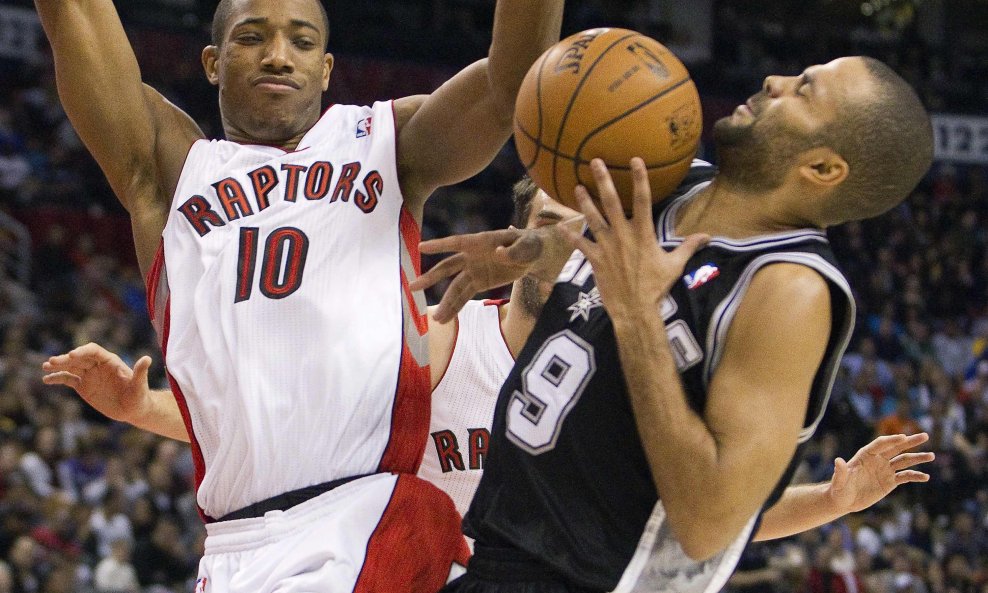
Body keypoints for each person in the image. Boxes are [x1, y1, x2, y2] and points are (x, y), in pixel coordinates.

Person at [47, 180, 934, 552]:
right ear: (514, 234)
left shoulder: (630, 379)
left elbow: (683, 517)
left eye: (590, 223)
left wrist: (831, 501)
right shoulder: (440, 341)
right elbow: (294, 428)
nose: (571, 237)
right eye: (553, 215)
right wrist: (145, 409)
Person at [32, 0, 565, 589]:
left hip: (362, 520)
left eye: (302, 42)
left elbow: (512, 82)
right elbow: (71, 13)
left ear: (328, 68)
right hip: (233, 548)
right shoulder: (172, 169)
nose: (279, 57)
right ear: (213, 61)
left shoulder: (385, 144)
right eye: (253, 38)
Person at [412, 56, 935, 592]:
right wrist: (523, 252)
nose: (772, 81)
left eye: (803, 91)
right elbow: (602, 248)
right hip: (503, 557)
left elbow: (708, 524)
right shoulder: (681, 186)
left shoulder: (788, 290)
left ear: (823, 169)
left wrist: (638, 316)